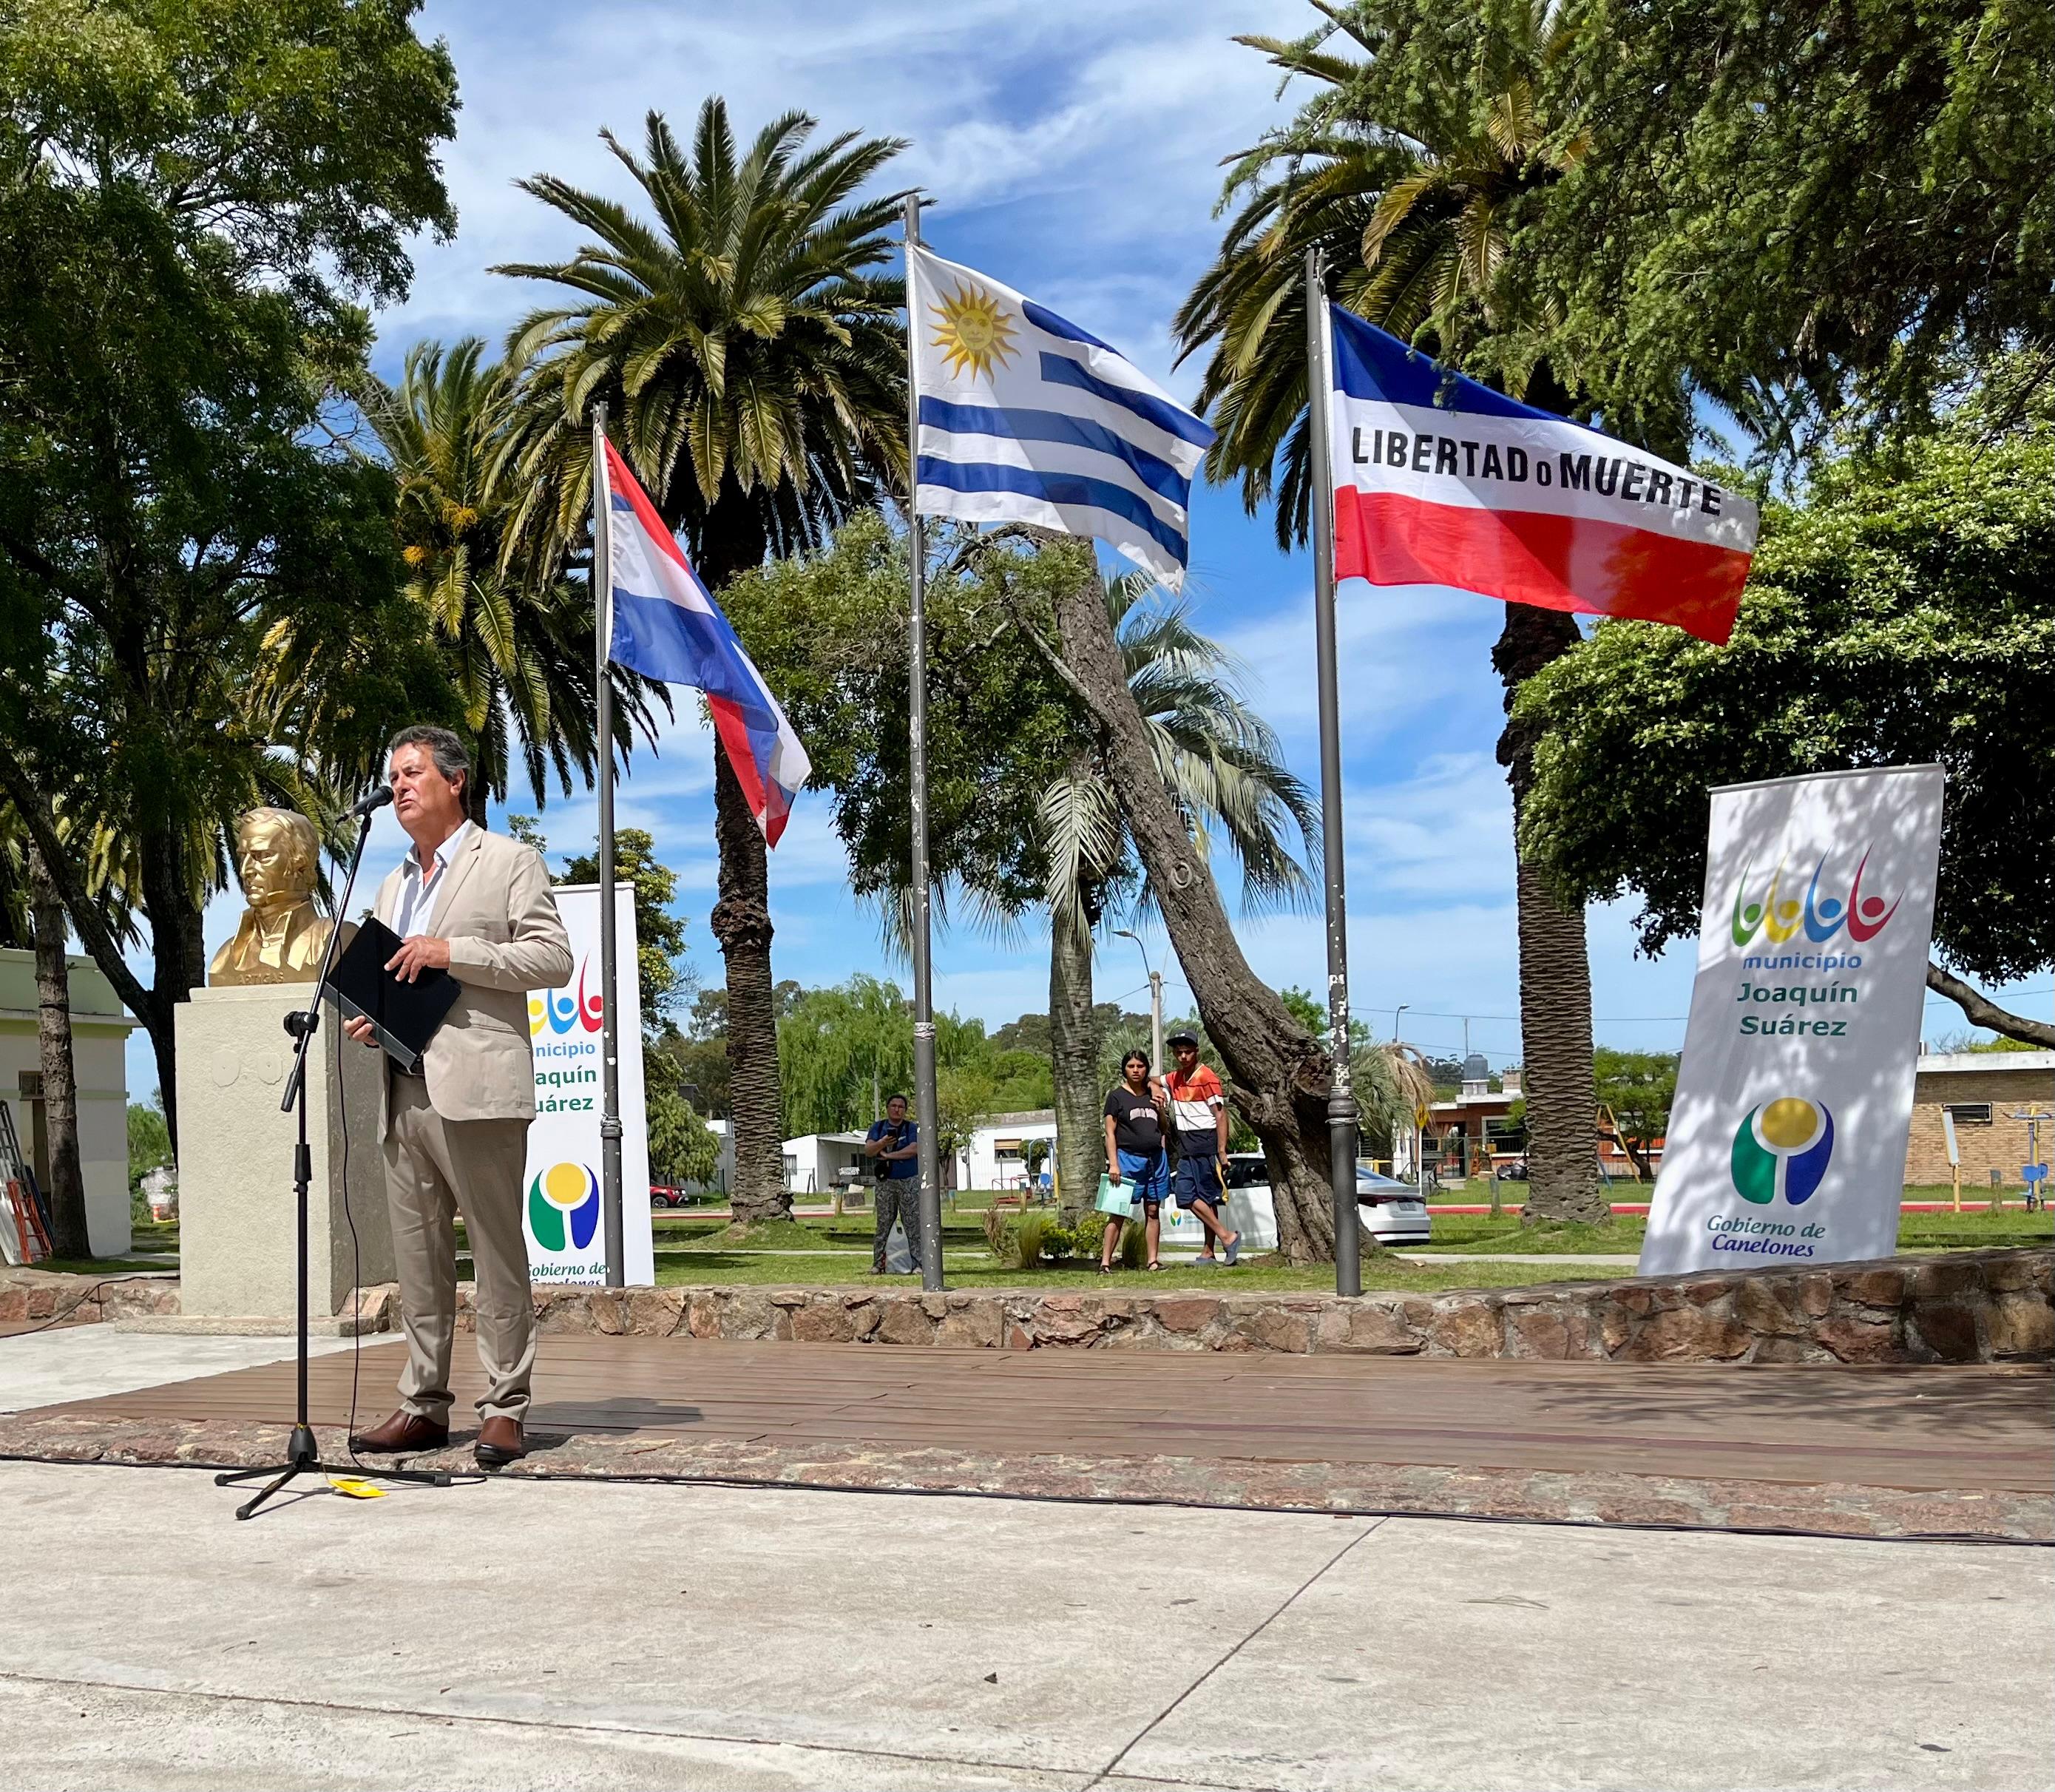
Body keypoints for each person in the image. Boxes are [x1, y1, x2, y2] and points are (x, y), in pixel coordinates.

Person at [344, 726, 572, 1469]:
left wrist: (453, 951)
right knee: (418, 1260)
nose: (399, 786)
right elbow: (402, 975)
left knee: (496, 1256)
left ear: (455, 781)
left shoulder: (508, 860)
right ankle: (421, 1404)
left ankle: (505, 1406)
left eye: (411, 772)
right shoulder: (390, 883)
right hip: (401, 1087)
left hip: (478, 1090)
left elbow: (553, 957)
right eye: (393, 775)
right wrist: (375, 1016)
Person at [1164, 1031, 1241, 1265]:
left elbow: (1220, 1114)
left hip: (1205, 1144)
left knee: (1207, 1198)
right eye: (1179, 1053)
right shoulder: (1175, 1078)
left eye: (1188, 1052)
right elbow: (1155, 1080)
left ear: (1196, 1051)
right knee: (1186, 1195)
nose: (1183, 1056)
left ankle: (1213, 1248)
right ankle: (1224, 1239)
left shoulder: (1207, 1077)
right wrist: (1155, 1089)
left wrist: (1221, 1150)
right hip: (1187, 1147)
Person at [1101, 1049, 1168, 1271]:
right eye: (1131, 1066)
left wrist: (1160, 1111)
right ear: (1125, 1069)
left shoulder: (1154, 1095)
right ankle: (1105, 1263)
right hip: (1127, 1161)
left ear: (1146, 1069)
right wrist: (1114, 1163)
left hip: (1155, 1161)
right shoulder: (1116, 1097)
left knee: (1152, 1211)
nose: (1136, 1070)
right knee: (1118, 1212)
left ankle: (1153, 1261)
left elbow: (1164, 1129)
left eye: (1140, 1066)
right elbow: (1110, 1133)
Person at [864, 1093, 921, 1273]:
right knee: (884, 1223)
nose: (897, 1109)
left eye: (901, 1107)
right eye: (894, 1106)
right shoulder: (878, 1127)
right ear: (888, 1108)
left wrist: (889, 1155)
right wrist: (882, 1142)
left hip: (908, 1180)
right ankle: (878, 1263)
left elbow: (914, 1150)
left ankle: (917, 1263)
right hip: (885, 1181)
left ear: (905, 1110)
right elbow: (869, 1150)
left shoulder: (911, 1128)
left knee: (912, 1223)